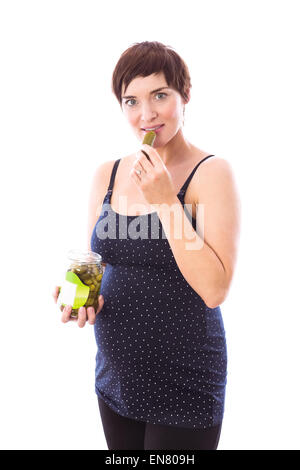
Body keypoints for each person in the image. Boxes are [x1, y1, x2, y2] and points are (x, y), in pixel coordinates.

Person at [53, 41, 241, 450]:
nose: (146, 114)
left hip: (184, 380)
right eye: (131, 101)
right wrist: (83, 297)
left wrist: (164, 200)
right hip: (116, 378)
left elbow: (215, 289)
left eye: (160, 95)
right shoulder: (108, 172)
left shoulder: (211, 173)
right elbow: (98, 263)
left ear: (184, 95)